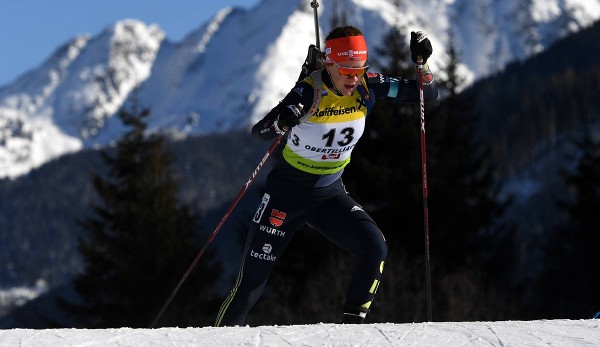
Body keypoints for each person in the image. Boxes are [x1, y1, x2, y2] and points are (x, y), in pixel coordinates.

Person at [215, 25, 438, 326]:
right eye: (346, 71)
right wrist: (283, 121)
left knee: (375, 248)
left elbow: (426, 94)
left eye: (359, 70)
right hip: (286, 195)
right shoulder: (310, 90)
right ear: (329, 63)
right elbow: (261, 132)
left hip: (329, 194)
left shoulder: (369, 85)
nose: (354, 78)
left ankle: (351, 334)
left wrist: (422, 66)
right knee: (249, 287)